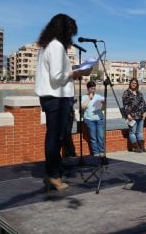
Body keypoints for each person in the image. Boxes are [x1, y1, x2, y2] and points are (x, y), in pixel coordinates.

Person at [35, 13, 90, 191]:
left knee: (54, 137)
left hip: (51, 98)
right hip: (57, 98)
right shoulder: (57, 46)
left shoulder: (46, 45)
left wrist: (72, 70)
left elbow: (57, 72)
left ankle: (52, 172)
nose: (71, 37)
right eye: (71, 32)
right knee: (55, 138)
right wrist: (78, 73)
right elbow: (57, 77)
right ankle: (53, 176)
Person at [122, 78, 146, 152]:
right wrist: (128, 115)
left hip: (140, 115)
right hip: (131, 116)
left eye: (135, 83)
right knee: (132, 132)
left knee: (139, 132)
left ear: (137, 84)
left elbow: (143, 103)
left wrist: (145, 112)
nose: (133, 84)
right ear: (130, 83)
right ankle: (136, 147)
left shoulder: (139, 93)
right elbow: (125, 105)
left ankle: (142, 146)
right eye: (132, 83)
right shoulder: (126, 93)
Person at [81, 81, 105, 157]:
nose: (93, 90)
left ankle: (101, 151)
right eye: (91, 89)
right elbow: (83, 107)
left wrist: (104, 103)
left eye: (94, 89)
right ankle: (96, 152)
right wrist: (89, 98)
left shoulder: (98, 96)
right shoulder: (84, 97)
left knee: (101, 136)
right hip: (89, 119)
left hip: (99, 118)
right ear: (88, 89)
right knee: (93, 137)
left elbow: (103, 108)